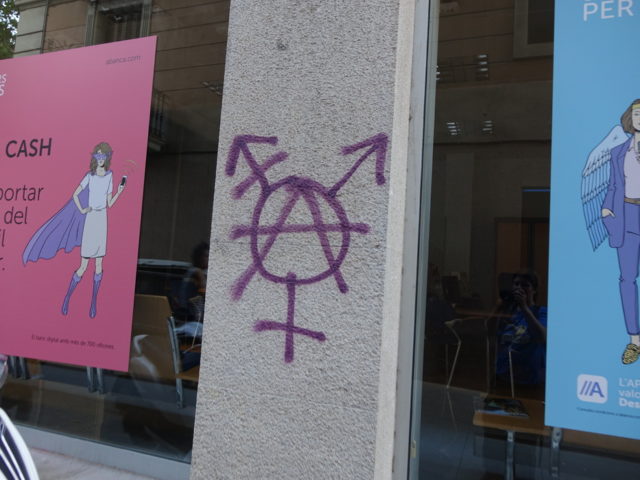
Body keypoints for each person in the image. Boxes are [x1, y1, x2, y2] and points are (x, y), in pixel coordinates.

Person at [23, 142, 125, 318]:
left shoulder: (110, 176)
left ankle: (93, 303)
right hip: (91, 218)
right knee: (83, 265)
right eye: (98, 155)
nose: (100, 159)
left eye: (103, 155)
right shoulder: (90, 176)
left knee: (99, 264)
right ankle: (67, 298)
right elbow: (75, 194)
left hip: (102, 219)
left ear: (108, 157)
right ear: (94, 157)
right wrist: (83, 209)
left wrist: (119, 192)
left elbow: (109, 203)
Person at [602, 100, 640, 364]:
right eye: (637, 114)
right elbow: (614, 186)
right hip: (626, 216)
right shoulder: (618, 152)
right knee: (627, 280)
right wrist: (607, 210)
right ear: (630, 118)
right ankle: (634, 340)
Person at [495, 271, 547, 386]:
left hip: (529, 379)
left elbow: (542, 337)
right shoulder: (509, 312)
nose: (519, 288)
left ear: (534, 290)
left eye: (525, 285)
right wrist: (499, 308)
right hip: (503, 374)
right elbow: (490, 333)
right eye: (516, 284)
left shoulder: (541, 312)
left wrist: (524, 307)